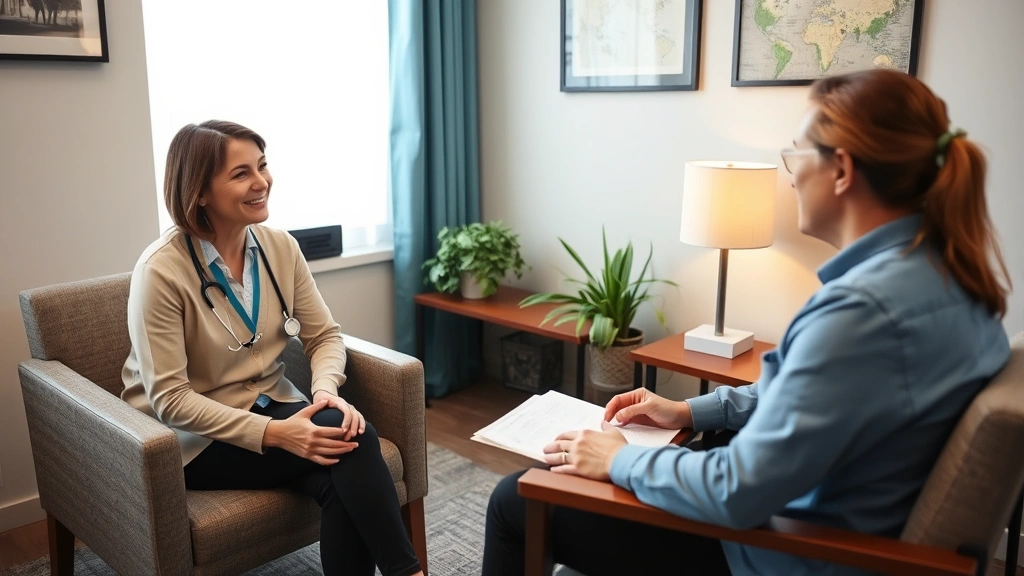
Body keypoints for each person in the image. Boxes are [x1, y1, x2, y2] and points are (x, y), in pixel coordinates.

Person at [482, 69, 1013, 576]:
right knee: (604, 474)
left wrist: (620, 461)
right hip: (811, 513)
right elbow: (811, 398)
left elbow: (736, 491)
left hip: (781, 552)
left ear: (842, 170)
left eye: (796, 154)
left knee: (515, 500)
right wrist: (688, 409)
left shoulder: (863, 313)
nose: (792, 176)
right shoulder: (948, 278)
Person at [121, 120, 423, 576]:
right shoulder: (161, 271)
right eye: (241, 174)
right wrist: (278, 434)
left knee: (341, 458)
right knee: (352, 442)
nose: (261, 181)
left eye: (262, 166)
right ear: (199, 192)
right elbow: (170, 399)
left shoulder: (280, 247)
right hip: (189, 439)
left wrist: (325, 392)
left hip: (270, 402)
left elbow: (324, 336)